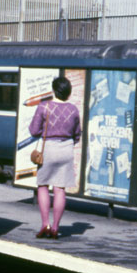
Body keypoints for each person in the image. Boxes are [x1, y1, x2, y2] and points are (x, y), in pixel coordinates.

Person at [28, 76, 81, 239]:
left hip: (49, 149)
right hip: (66, 150)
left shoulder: (44, 107)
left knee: (43, 186)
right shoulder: (73, 109)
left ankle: (46, 224)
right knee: (60, 189)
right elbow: (77, 134)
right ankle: (56, 227)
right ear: (68, 92)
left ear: (53, 90)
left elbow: (34, 130)